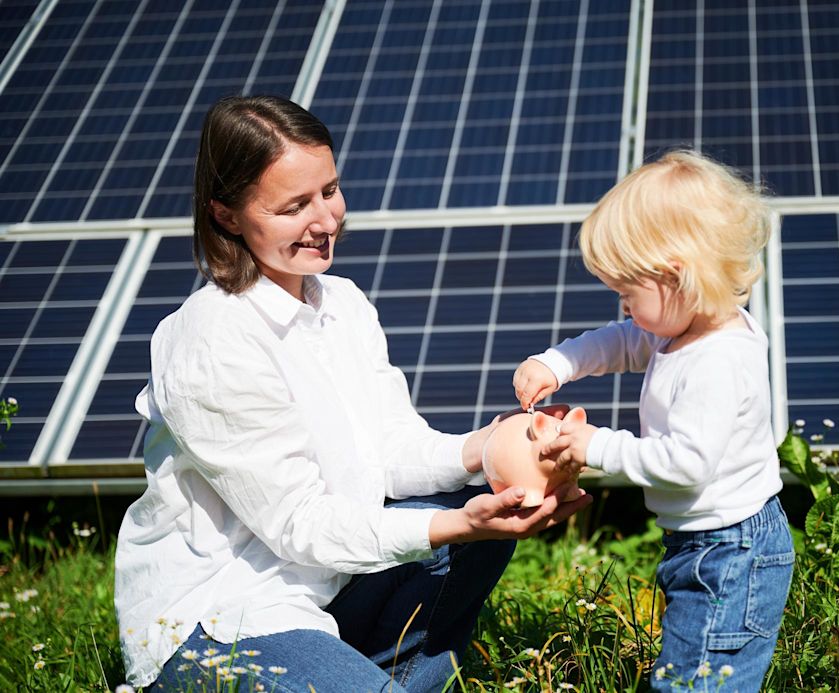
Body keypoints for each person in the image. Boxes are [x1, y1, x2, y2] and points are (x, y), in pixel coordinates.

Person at [114, 95, 591, 693]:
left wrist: (492, 447)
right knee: (460, 525)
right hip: (224, 617)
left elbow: (388, 450)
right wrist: (457, 524)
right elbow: (298, 525)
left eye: (330, 191)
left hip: (326, 588)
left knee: (486, 499)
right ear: (228, 216)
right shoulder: (209, 340)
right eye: (294, 207)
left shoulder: (341, 304)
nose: (326, 220)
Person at [512, 150, 793, 691]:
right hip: (707, 543)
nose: (622, 308)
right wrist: (558, 362)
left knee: (698, 681)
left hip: (731, 553)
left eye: (626, 294)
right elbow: (622, 341)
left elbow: (685, 464)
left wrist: (595, 446)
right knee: (690, 668)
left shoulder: (715, 361)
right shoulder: (686, 328)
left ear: (676, 278)